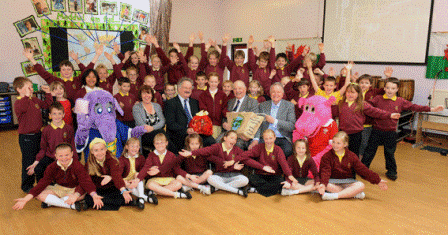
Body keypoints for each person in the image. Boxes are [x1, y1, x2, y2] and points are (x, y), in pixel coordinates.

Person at [361, 77, 444, 180]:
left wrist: (432, 109)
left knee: (389, 153)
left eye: (392, 88)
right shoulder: (377, 99)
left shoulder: (400, 101)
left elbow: (415, 107)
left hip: (391, 133)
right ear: (384, 88)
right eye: (387, 88)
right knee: (369, 151)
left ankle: (391, 172)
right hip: (376, 131)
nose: (389, 90)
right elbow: (367, 106)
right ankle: (363, 169)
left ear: (397, 89)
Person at [12, 143, 102, 211]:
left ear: (72, 154)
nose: (64, 158)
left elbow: (85, 182)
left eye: (67, 155)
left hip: (75, 190)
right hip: (59, 188)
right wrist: (25, 199)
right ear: (56, 156)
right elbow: (42, 183)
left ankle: (53, 202)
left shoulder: (77, 166)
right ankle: (73, 205)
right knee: (38, 194)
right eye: (60, 156)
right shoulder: (52, 167)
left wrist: (91, 195)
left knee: (80, 195)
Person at [332, 83, 400, 156]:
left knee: (354, 153)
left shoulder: (362, 104)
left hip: (356, 134)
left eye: (353, 92)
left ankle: (353, 166)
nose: (350, 94)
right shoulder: (340, 104)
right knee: (341, 152)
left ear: (358, 94)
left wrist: (389, 115)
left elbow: (376, 111)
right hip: (343, 133)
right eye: (348, 92)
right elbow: (331, 113)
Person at [317, 132, 388, 200]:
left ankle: (335, 196)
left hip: (347, 181)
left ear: (345, 144)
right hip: (332, 182)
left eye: (338, 143)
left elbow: (363, 170)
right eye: (333, 142)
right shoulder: (326, 156)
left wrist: (377, 180)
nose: (335, 145)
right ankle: (352, 194)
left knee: (361, 185)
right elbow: (325, 172)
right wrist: (323, 184)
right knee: (324, 185)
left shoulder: (352, 156)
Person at [179, 131, 249, 197]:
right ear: (225, 138)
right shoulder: (216, 147)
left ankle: (214, 188)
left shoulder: (237, 150)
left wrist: (232, 163)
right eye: (192, 144)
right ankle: (237, 191)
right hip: (194, 177)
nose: (194, 146)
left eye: (197, 144)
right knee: (210, 179)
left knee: (245, 180)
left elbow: (221, 162)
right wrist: (189, 176)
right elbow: (176, 167)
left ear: (200, 144)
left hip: (204, 177)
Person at [13, 77, 52, 193]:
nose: (31, 89)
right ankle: (27, 185)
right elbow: (24, 106)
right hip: (26, 138)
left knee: (39, 159)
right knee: (28, 161)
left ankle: (41, 182)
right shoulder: (19, 103)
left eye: (31, 87)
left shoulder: (34, 100)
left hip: (37, 135)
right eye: (28, 87)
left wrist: (48, 93)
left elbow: (46, 104)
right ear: (19, 89)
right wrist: (26, 95)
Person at [25, 45, 103, 103]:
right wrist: (32, 59)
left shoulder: (77, 80)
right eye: (64, 70)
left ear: (73, 71)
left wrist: (97, 55)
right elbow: (44, 73)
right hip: (62, 108)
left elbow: (88, 70)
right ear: (60, 72)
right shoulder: (57, 81)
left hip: (78, 108)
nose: (66, 72)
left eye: (69, 69)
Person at [84, 138, 141, 210]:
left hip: (111, 188)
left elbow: (116, 176)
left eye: (102, 149)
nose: (99, 153)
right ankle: (99, 203)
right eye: (96, 150)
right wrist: (94, 195)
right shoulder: (89, 164)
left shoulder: (112, 160)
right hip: (98, 190)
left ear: (106, 149)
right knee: (88, 198)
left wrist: (123, 190)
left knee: (123, 195)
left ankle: (99, 205)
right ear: (92, 151)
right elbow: (86, 181)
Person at [28, 102, 77, 182]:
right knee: (38, 169)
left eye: (59, 113)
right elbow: (43, 148)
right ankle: (43, 189)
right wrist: (36, 162)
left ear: (63, 114)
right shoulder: (46, 130)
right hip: (50, 157)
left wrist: (75, 160)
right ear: (50, 115)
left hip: (64, 157)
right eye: (54, 114)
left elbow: (72, 146)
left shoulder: (69, 128)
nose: (57, 116)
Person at [164, 77, 216, 153]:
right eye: (185, 88)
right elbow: (171, 124)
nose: (188, 90)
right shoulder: (170, 103)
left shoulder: (195, 102)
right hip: (180, 134)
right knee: (187, 144)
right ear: (179, 88)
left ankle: (206, 164)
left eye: (190, 88)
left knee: (211, 142)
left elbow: (199, 119)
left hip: (196, 134)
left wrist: (201, 128)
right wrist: (186, 130)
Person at [134, 133, 192, 199]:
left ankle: (154, 192)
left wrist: (187, 175)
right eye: (157, 143)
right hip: (155, 179)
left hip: (169, 179)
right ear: (154, 144)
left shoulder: (171, 155)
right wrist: (138, 179)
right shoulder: (151, 155)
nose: (159, 145)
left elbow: (176, 169)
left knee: (178, 184)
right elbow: (145, 168)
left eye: (162, 143)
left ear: (166, 143)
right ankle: (177, 194)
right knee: (151, 185)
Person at [240, 129, 296, 197]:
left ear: (275, 138)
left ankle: (254, 190)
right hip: (260, 175)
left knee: (280, 182)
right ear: (263, 139)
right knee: (251, 178)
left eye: (271, 138)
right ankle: (275, 190)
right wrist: (262, 167)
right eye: (266, 139)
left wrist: (289, 176)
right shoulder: (259, 147)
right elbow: (243, 156)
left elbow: (284, 165)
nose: (268, 141)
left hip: (274, 176)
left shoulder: (278, 150)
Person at [249, 83, 296, 157]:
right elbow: (258, 125)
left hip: (282, 137)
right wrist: (255, 139)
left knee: (287, 150)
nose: (276, 94)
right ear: (270, 93)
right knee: (254, 149)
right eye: (273, 92)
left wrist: (275, 121)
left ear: (283, 94)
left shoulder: (289, 106)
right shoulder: (263, 105)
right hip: (265, 137)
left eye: (278, 92)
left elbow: (291, 126)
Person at [119, 138, 158, 208]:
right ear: (127, 147)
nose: (135, 148)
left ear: (139, 147)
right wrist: (124, 181)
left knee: (137, 174)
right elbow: (118, 174)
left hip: (137, 180)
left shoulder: (141, 157)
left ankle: (141, 198)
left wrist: (150, 169)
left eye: (137, 146)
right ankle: (145, 198)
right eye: (132, 146)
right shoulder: (122, 159)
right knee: (128, 184)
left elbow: (143, 170)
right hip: (127, 181)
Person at [133, 85, 168, 157]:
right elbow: (141, 124)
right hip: (144, 135)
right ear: (140, 95)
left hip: (158, 133)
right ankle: (173, 155)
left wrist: (152, 128)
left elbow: (162, 121)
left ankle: (167, 158)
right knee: (162, 134)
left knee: (161, 135)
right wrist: (153, 129)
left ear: (152, 95)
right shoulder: (136, 107)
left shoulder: (157, 106)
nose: (146, 96)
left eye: (148, 93)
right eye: (144, 93)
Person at [222, 80, 259, 150]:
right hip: (228, 132)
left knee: (236, 145)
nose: (237, 91)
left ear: (245, 89)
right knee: (217, 141)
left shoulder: (252, 102)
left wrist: (248, 136)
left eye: (240, 88)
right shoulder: (230, 102)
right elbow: (225, 117)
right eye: (235, 89)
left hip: (242, 136)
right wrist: (224, 123)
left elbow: (255, 121)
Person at [357, 73, 386, 158]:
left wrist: (387, 77)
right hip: (356, 123)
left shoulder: (373, 92)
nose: (363, 85)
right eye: (361, 82)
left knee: (364, 143)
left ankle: (361, 159)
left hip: (367, 124)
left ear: (370, 84)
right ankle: (355, 160)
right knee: (356, 142)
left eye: (366, 83)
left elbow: (384, 90)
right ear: (358, 83)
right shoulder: (355, 91)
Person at [199, 72, 228, 139]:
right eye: (211, 81)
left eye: (215, 82)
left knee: (217, 142)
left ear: (219, 82)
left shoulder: (222, 95)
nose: (213, 84)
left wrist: (226, 115)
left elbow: (224, 108)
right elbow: (202, 109)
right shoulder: (203, 95)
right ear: (208, 81)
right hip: (207, 124)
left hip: (219, 124)